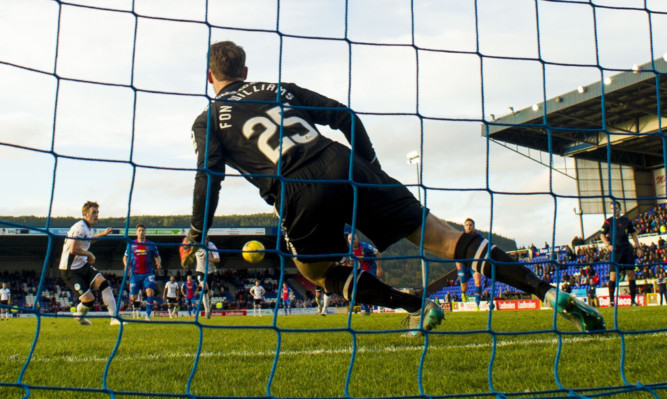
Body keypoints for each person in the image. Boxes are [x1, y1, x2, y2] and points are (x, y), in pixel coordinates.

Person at [179, 40, 604, 335]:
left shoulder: (209, 119)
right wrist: (372, 168)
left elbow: (208, 178)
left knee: (316, 273)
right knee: (443, 237)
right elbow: (345, 115)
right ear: (246, 71)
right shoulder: (279, 88)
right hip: (344, 163)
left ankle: (416, 307)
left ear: (210, 76)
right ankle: (548, 293)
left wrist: (196, 236)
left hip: (297, 186)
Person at [58, 201, 120, 326]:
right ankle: (79, 316)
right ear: (85, 214)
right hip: (70, 270)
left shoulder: (87, 227)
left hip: (82, 265)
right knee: (89, 301)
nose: (96, 215)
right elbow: (73, 250)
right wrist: (90, 254)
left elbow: (88, 241)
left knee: (104, 284)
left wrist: (103, 234)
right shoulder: (79, 227)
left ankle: (114, 318)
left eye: (97, 212)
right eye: (94, 212)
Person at [599, 201, 642, 307]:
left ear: (620, 209)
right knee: (613, 276)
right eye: (612, 208)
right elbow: (602, 235)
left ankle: (633, 301)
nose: (614, 210)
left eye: (616, 208)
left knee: (631, 275)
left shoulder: (626, 220)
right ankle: (612, 301)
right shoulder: (608, 222)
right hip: (615, 251)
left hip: (627, 250)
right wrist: (608, 244)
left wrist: (638, 247)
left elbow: (633, 234)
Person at [123, 224, 162, 321]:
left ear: (145, 232)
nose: (141, 232)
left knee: (150, 291)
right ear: (136, 232)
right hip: (135, 273)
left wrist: (158, 263)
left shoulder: (151, 244)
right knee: (133, 297)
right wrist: (125, 265)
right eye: (139, 230)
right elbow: (125, 257)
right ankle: (134, 301)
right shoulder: (131, 244)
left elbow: (157, 256)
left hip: (148, 273)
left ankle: (147, 315)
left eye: (143, 230)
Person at [345, 233, 383, 315]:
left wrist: (379, 268)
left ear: (357, 239)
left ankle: (377, 305)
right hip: (361, 271)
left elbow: (378, 253)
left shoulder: (366, 246)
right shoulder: (351, 251)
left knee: (368, 288)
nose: (351, 241)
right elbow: (352, 263)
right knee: (358, 290)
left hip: (372, 269)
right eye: (349, 239)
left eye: (353, 239)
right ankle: (366, 310)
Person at [455, 218, 483, 310]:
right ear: (464, 226)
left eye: (471, 225)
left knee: (478, 281)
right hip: (463, 263)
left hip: (474, 263)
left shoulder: (478, 236)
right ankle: (463, 293)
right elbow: (456, 249)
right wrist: (457, 262)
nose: (469, 226)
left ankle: (477, 305)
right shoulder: (461, 236)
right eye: (467, 225)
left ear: (474, 226)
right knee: (464, 286)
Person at [194, 236, 220, 319]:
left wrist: (210, 259)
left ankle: (209, 306)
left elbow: (218, 259)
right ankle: (207, 311)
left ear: (207, 240)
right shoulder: (195, 245)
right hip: (200, 270)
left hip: (210, 271)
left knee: (209, 292)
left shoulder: (211, 246)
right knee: (204, 288)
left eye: (204, 239)